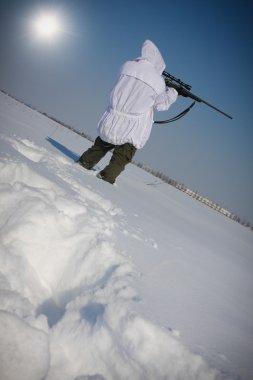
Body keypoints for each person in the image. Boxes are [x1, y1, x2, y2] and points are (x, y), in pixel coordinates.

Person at [78, 39, 178, 184]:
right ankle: (105, 179)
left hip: (112, 118)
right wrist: (173, 93)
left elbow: (134, 84)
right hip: (133, 127)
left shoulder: (126, 66)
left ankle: (83, 163)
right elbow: (161, 105)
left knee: (100, 146)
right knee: (122, 157)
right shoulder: (158, 82)